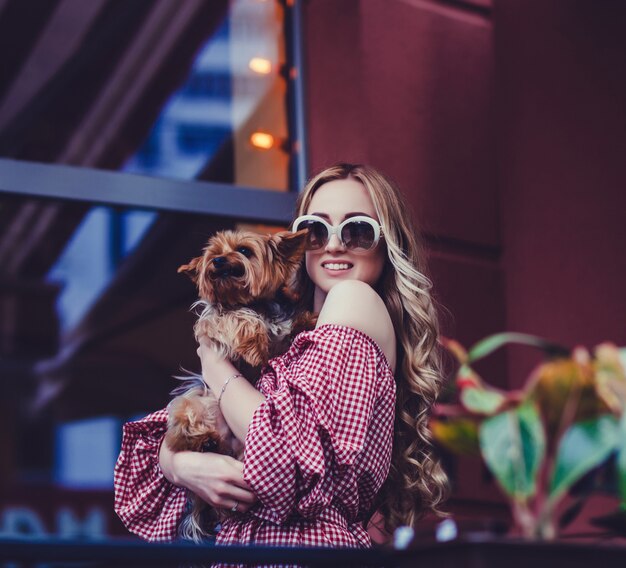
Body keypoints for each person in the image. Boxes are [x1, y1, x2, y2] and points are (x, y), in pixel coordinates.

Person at [114, 163, 448, 547]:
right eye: (317, 231)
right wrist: (178, 463)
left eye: (357, 230)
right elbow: (158, 451)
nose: (334, 245)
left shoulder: (353, 300)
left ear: (387, 243)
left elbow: (281, 457)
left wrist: (214, 362)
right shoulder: (297, 340)